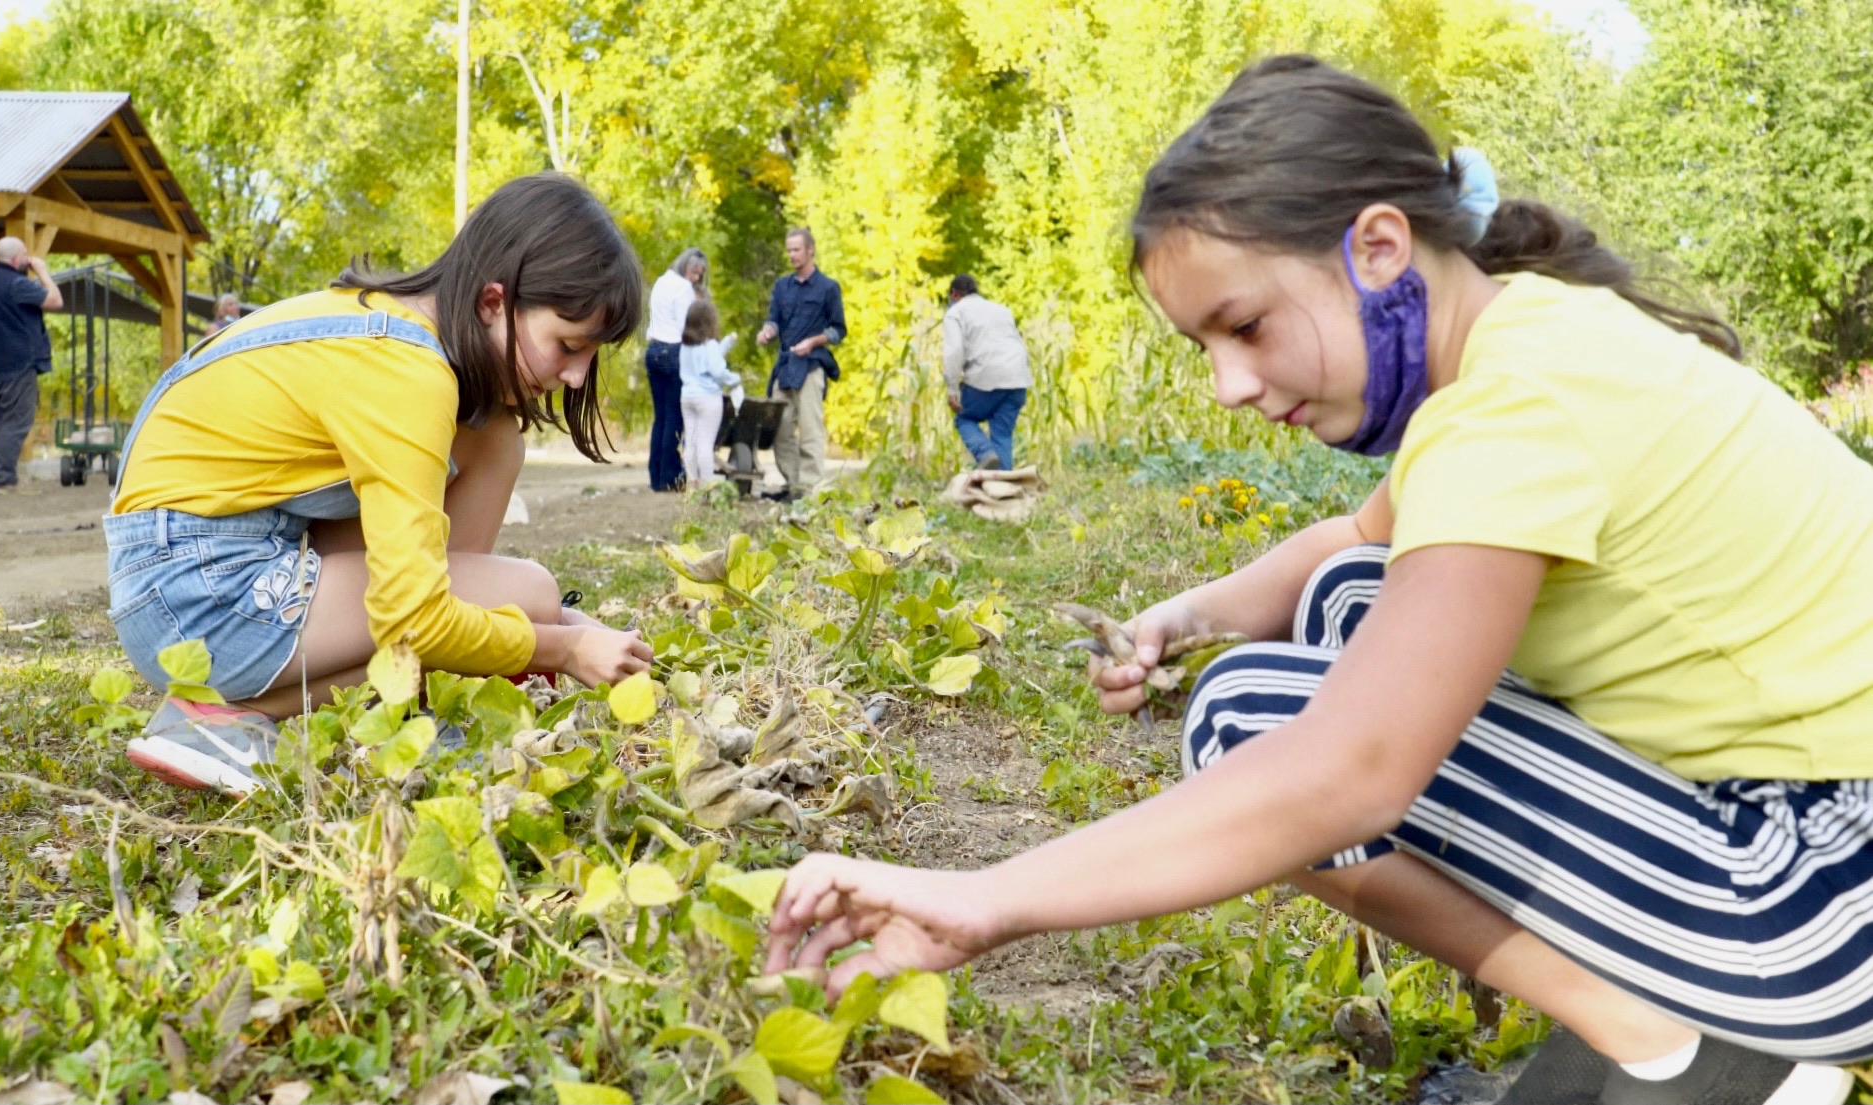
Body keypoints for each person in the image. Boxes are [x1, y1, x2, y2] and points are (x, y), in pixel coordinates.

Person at [764, 56, 1873, 1105]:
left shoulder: (1509, 413)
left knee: (1252, 721)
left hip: (1827, 899)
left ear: (1379, 247)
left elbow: (1351, 775)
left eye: (1242, 326)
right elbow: (1349, 540)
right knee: (1352, 596)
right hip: (1817, 822)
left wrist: (984, 898)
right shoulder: (1537, 333)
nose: (1227, 386)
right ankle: (1663, 1023)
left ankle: (1682, 1050)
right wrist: (1182, 615)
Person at [107, 172, 655, 797]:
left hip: (185, 571)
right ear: (493, 302)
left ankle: (338, 703)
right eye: (568, 344)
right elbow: (416, 620)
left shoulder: (387, 329)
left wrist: (541, 628)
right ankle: (224, 718)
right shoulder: (409, 373)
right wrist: (562, 645)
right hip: (193, 595)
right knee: (527, 592)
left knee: (494, 436)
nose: (579, 378)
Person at [755, 228, 845, 500]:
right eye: (789, 250)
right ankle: (795, 486)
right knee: (778, 430)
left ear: (810, 250)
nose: (791, 254)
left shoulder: (828, 287)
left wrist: (814, 341)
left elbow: (838, 331)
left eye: (796, 249)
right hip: (785, 368)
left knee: (810, 432)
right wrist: (767, 331)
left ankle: (810, 491)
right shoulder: (782, 286)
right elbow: (774, 320)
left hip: (812, 366)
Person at [0, 236, 61, 494]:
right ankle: (5, 481)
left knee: (2, 420)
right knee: (17, 421)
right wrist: (43, 272)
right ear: (14, 260)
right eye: (25, 255)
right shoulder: (17, 284)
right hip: (19, 364)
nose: (29, 259)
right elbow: (55, 301)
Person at [941, 274, 1032, 470]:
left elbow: (954, 351)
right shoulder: (1002, 310)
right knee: (1002, 435)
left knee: (964, 418)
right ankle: (1004, 492)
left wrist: (952, 388)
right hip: (1018, 379)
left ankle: (985, 453)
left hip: (986, 378)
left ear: (954, 294)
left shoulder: (955, 312)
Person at [644, 248, 708, 491]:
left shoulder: (662, 281)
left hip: (653, 352)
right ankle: (670, 476)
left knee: (660, 417)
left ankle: (656, 476)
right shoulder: (683, 289)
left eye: (699, 275)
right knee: (674, 417)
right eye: (694, 272)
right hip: (674, 354)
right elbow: (687, 327)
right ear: (685, 266)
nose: (695, 278)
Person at [678, 298, 742, 489]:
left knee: (690, 443)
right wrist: (735, 380)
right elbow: (717, 371)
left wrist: (727, 344)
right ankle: (708, 487)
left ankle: (693, 485)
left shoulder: (686, 346)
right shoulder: (710, 345)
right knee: (705, 445)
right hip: (708, 398)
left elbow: (708, 359)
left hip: (687, 397)